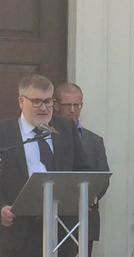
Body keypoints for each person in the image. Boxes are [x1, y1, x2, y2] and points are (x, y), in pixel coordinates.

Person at [0, 74, 90, 257]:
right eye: (36, 102)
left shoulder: (66, 128)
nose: (44, 108)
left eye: (48, 101)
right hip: (18, 230)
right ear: (21, 101)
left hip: (60, 229)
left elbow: (83, 168)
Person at [53, 82, 110, 256]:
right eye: (67, 105)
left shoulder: (94, 141)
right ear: (56, 106)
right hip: (53, 218)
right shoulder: (46, 137)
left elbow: (103, 177)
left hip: (85, 217)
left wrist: (90, 196)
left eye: (77, 105)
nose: (73, 110)